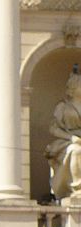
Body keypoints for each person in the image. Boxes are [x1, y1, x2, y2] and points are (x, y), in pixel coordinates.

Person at [46, 69, 81, 200]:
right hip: (67, 141)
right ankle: (77, 188)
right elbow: (54, 129)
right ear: (73, 88)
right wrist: (72, 138)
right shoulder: (63, 107)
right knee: (76, 150)